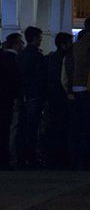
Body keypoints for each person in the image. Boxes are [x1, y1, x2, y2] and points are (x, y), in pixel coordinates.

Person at [70, 17, 90, 170]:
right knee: (89, 125)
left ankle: (78, 158)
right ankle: (87, 159)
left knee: (81, 124)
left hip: (76, 85)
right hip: (88, 85)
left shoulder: (77, 44)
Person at [15, 27, 47, 167]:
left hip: (24, 95)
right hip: (35, 95)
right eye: (40, 37)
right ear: (34, 38)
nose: (41, 40)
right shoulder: (37, 56)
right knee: (33, 128)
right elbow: (41, 78)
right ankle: (31, 156)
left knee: (23, 127)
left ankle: (22, 156)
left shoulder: (21, 55)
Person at [44, 32, 74, 168]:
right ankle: (62, 157)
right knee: (63, 128)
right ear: (64, 45)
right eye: (70, 43)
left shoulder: (50, 58)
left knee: (55, 127)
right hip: (62, 98)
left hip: (52, 97)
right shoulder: (65, 58)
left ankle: (53, 157)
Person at [0, 34, 23, 169]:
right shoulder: (11, 60)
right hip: (8, 99)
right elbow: (16, 81)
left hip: (4, 97)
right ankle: (5, 158)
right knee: (7, 129)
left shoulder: (4, 58)